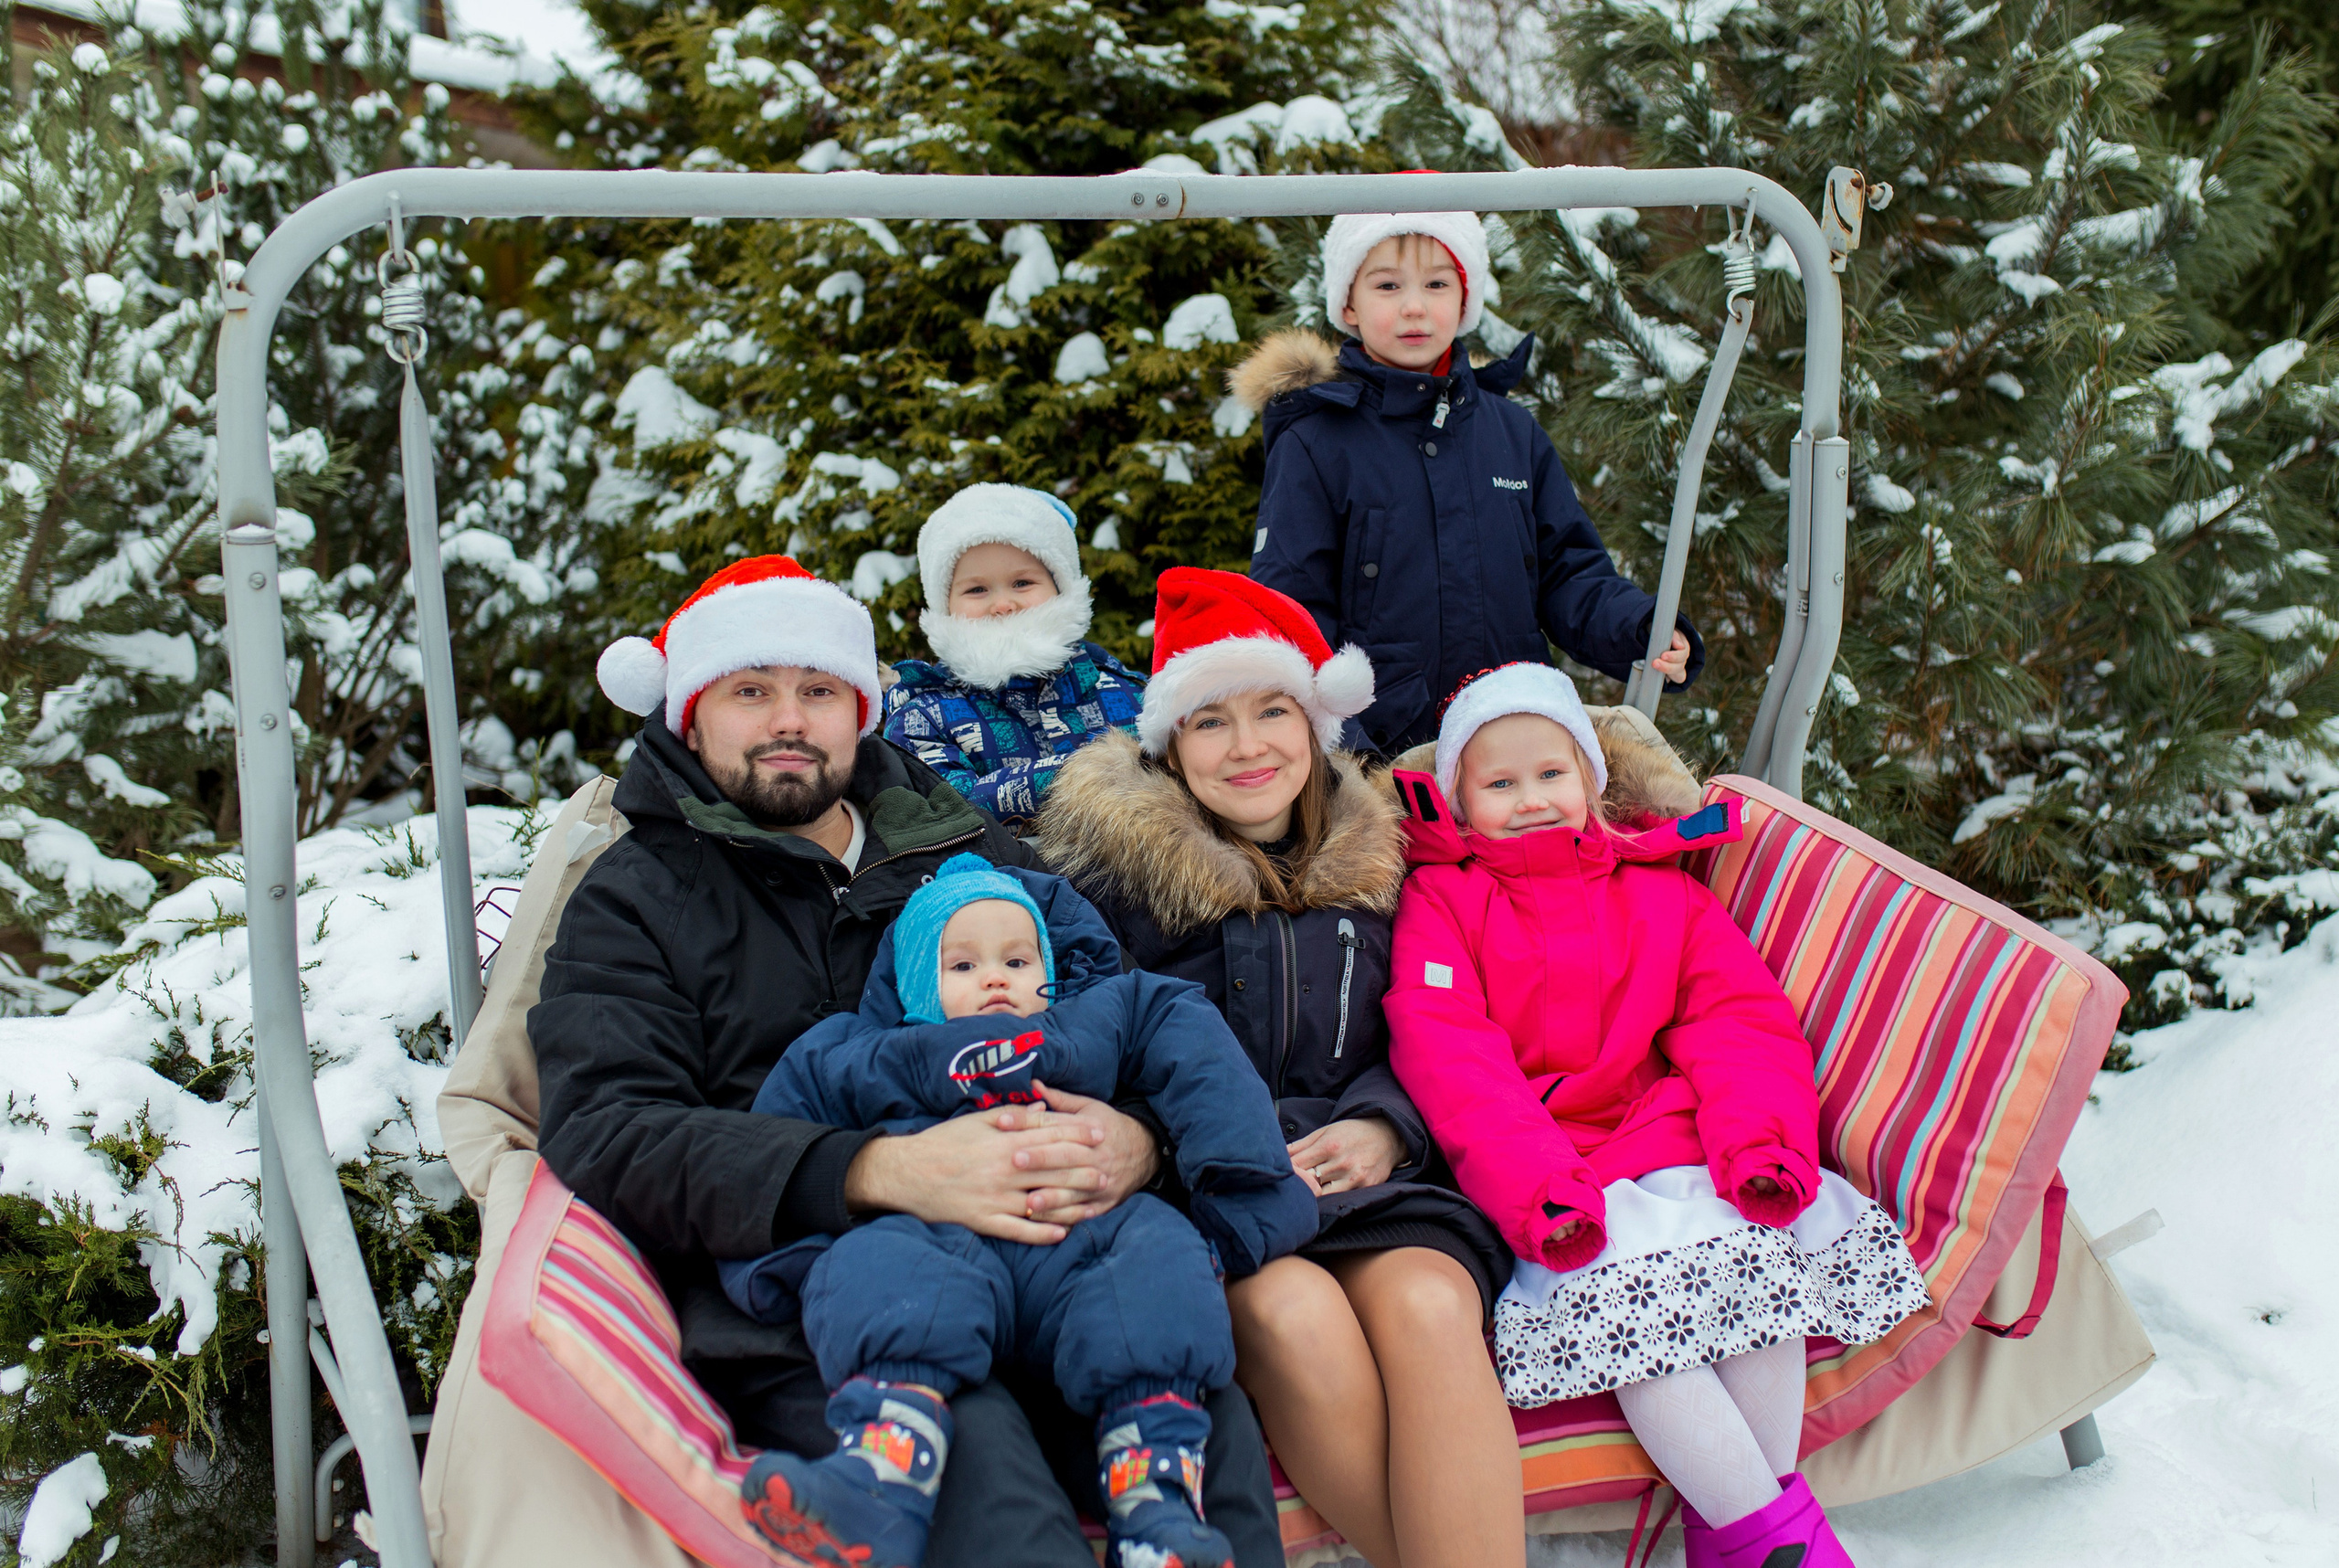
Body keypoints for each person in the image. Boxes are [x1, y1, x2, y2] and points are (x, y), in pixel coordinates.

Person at [529, 555, 1285, 1568]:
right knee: (994, 1496)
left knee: (1204, 1461)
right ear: (690, 716)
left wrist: (1139, 1143)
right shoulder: (636, 900)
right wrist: (874, 1171)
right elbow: (609, 1129)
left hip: (1068, 1256)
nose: (788, 720)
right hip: (844, 1295)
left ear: (861, 711)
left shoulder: (964, 847)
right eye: (750, 691)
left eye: (818, 690)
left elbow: (1123, 1012)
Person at [1383, 662, 1932, 1567]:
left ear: (1590, 779)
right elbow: (1451, 1059)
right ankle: (1779, 1549)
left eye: (1551, 773)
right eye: (1500, 784)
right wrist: (1537, 1187)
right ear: (1459, 801)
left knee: (1757, 1280)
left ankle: (1745, 1541)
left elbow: (1737, 1021)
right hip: (1556, 1174)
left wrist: (1759, 1143)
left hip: (1677, 1146)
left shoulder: (1661, 890)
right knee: (1647, 1331)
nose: (1531, 800)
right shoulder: (1444, 901)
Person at [1036, 567, 1524, 1568]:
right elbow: (1094, 1057)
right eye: (1211, 722)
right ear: (1171, 747)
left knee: (1432, 1305)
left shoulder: (1389, 863)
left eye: (1273, 712)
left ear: (1315, 723)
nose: (1248, 746)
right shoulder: (1110, 884)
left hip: (1371, 1176)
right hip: (1215, 1193)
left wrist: (1387, 1125)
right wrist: (1192, 1145)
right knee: (1296, 1318)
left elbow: (1442, 1022)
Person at [718, 853, 1316, 1568]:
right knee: (877, 1264)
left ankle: (1157, 1511)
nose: (996, 978)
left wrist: (1242, 1192)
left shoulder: (1096, 1017)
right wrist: (791, 1271)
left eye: (1016, 959)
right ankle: (879, 1482)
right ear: (916, 983)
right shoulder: (865, 1050)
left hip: (1085, 1238)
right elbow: (781, 1134)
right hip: (938, 1239)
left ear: (1049, 969)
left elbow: (1192, 1041)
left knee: (1157, 1262)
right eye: (963, 965)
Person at [1238, 207, 1704, 756]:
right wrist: (1344, 752)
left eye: (1437, 284)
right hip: (1383, 758)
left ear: (1464, 301)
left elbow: (1569, 573)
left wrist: (1641, 628)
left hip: (1516, 743)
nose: (1414, 306)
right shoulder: (1317, 441)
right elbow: (1292, 609)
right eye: (1387, 285)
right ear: (1348, 305)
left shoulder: (1512, 433)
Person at [884, 483, 1147, 827]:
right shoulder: (923, 717)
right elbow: (944, 807)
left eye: (1022, 583)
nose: (1003, 604)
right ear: (945, 606)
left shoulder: (1127, 693)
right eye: (977, 589)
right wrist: (1084, 772)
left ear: (1061, 588)